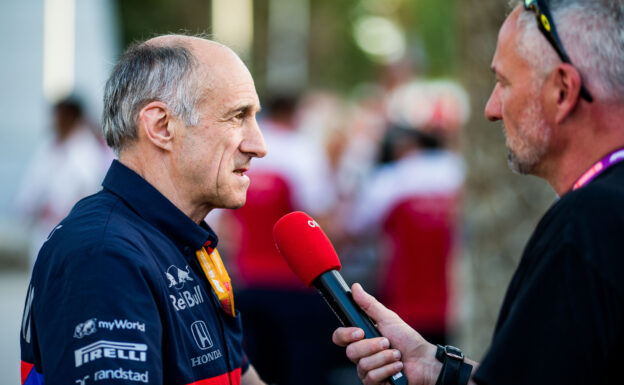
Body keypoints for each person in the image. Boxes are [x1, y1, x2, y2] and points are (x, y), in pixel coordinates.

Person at [332, 1, 624, 384]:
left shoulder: (583, 226)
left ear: (563, 90)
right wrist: (435, 366)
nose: (491, 109)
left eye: (504, 83)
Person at [20, 35, 269, 385]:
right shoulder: (105, 256)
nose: (259, 145)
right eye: (237, 116)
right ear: (161, 126)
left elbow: (238, 376)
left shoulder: (184, 236)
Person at [15, 97, 113, 267]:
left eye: (59, 115)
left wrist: (65, 213)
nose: (54, 121)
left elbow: (91, 191)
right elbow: (31, 187)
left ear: (72, 117)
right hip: (44, 230)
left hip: (74, 230)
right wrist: (32, 209)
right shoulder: (48, 147)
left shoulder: (87, 149)